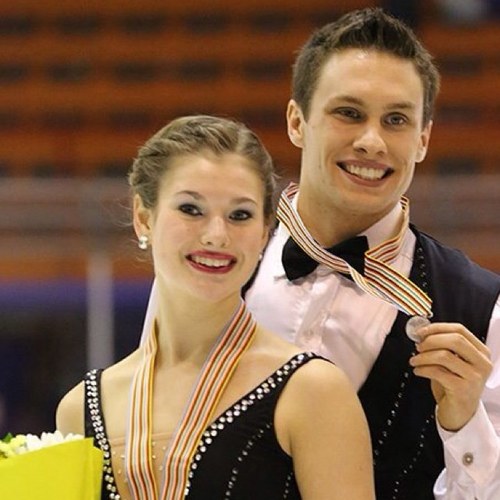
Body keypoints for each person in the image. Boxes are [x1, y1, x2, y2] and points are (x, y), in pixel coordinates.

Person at [243, 8, 500, 500]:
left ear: (423, 139)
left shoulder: (480, 310)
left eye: (397, 120)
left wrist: (464, 420)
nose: (371, 141)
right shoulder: (219, 272)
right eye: (349, 113)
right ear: (297, 121)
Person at [56, 115, 375, 499]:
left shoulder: (312, 393)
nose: (216, 235)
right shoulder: (81, 410)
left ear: (263, 233)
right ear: (144, 218)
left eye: (239, 215)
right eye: (191, 209)